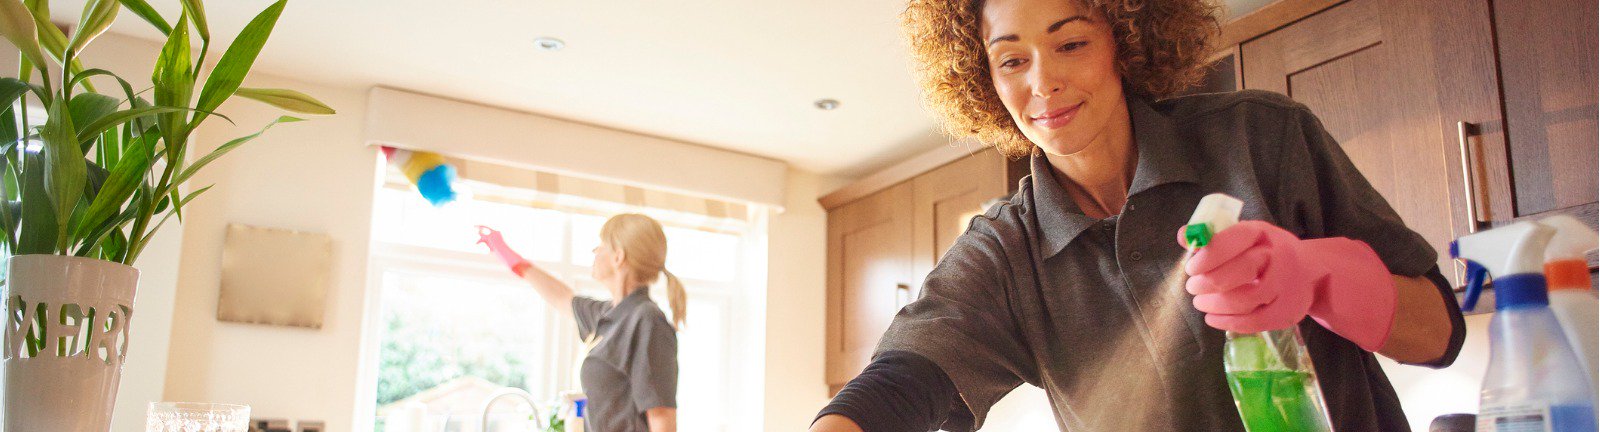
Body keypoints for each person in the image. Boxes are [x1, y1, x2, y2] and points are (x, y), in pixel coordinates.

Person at [809, 0, 1465, 430]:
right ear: (983, 79)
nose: (1042, 84)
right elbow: (904, 381)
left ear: (1122, 40)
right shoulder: (1005, 251)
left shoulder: (1263, 139)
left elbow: (1440, 335)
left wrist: (1319, 276)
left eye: (1070, 44)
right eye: (1012, 59)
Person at [477, 214, 686, 432]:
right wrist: (502, 250)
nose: (594, 252)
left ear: (618, 257)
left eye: (601, 246)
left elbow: (662, 419)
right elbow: (560, 296)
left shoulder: (646, 321)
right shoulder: (607, 316)